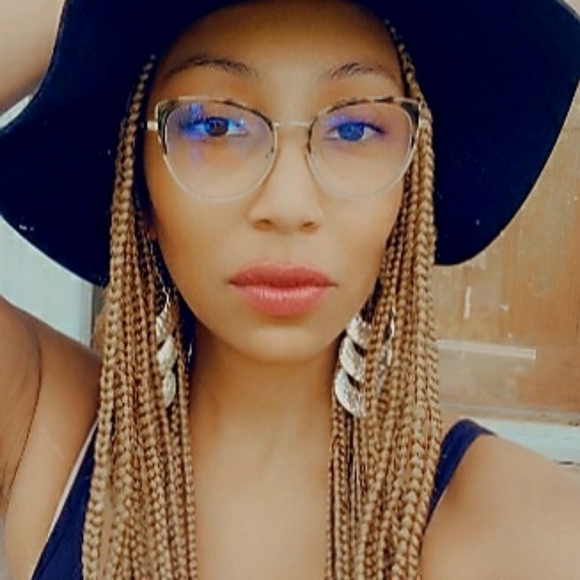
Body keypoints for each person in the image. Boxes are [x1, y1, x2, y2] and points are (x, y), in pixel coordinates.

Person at [0, 0, 579, 578]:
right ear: (139, 187)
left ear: (411, 189)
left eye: (354, 129)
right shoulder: (47, 432)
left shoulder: (521, 526)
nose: (288, 204)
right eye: (216, 125)